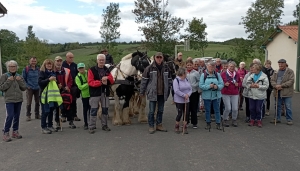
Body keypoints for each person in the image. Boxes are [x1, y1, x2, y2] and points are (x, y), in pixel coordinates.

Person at [140, 52, 172, 134]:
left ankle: (159, 125)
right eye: (157, 57)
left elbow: (169, 80)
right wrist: (142, 92)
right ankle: (151, 126)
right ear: (154, 58)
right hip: (152, 93)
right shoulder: (149, 68)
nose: (159, 59)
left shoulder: (166, 68)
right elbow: (144, 81)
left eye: (160, 57)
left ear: (162, 58)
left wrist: (169, 89)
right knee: (151, 111)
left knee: (160, 110)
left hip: (162, 93)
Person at [0, 60, 26, 142]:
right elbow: (1, 88)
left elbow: (24, 87)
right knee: (10, 115)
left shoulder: (19, 76)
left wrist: (19, 81)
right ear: (8, 68)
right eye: (11, 66)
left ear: (16, 67)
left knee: (17, 116)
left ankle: (15, 131)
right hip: (9, 99)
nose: (13, 68)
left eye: (14, 66)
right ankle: (6, 132)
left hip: (18, 99)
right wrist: (9, 81)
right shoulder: (4, 76)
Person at [88, 54, 114, 134]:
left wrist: (107, 78)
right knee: (93, 110)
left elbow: (112, 80)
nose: (101, 61)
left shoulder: (107, 69)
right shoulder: (91, 70)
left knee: (105, 110)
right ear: (97, 60)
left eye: (103, 60)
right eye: (100, 60)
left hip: (105, 92)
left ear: (105, 61)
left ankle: (104, 125)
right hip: (95, 93)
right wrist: (100, 82)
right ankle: (92, 126)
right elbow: (90, 82)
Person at [39, 59, 62, 134]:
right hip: (44, 95)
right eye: (47, 64)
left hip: (52, 96)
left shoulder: (53, 73)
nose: (49, 65)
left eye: (50, 64)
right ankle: (43, 127)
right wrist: (48, 79)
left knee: (51, 111)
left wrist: (59, 85)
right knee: (45, 111)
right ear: (45, 65)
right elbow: (40, 83)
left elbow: (56, 82)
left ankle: (50, 125)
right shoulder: (42, 73)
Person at [199, 61, 224, 130]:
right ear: (207, 66)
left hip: (216, 96)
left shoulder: (217, 75)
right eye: (210, 66)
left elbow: (222, 84)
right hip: (206, 96)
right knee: (207, 110)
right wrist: (209, 86)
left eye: (213, 66)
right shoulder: (203, 75)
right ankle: (208, 123)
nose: (211, 68)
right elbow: (201, 85)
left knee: (217, 110)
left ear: (214, 67)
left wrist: (217, 87)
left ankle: (218, 123)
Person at [270, 59, 294, 125]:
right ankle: (277, 118)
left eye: (282, 64)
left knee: (288, 106)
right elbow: (272, 80)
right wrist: (276, 86)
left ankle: (289, 119)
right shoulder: (276, 71)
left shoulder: (290, 71)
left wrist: (282, 85)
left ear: (285, 64)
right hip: (277, 91)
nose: (280, 65)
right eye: (279, 64)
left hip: (286, 92)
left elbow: (291, 81)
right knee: (277, 106)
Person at [54, 56, 75, 129]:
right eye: (57, 61)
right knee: (57, 108)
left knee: (68, 106)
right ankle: (58, 123)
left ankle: (71, 121)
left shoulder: (66, 70)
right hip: (57, 91)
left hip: (66, 91)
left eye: (60, 61)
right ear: (55, 62)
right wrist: (57, 85)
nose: (59, 62)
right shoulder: (53, 71)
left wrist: (68, 86)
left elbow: (70, 80)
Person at [221, 61, 241, 127]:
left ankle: (234, 120)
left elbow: (240, 83)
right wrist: (224, 84)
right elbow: (220, 82)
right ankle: (224, 119)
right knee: (228, 108)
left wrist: (238, 84)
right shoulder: (223, 74)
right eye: (230, 66)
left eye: (233, 66)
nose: (232, 68)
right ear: (228, 67)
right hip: (225, 93)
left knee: (235, 108)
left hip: (235, 93)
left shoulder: (237, 74)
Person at [62, 52, 81, 122]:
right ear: (66, 57)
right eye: (70, 57)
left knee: (73, 101)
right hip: (64, 86)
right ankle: (64, 115)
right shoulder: (63, 65)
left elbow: (78, 75)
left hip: (73, 86)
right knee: (64, 101)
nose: (71, 59)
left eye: (72, 57)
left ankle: (74, 115)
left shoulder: (75, 65)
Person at [173, 68, 192, 134]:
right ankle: (177, 126)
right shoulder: (176, 80)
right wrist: (184, 95)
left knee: (186, 114)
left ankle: (184, 126)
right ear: (183, 74)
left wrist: (188, 94)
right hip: (179, 100)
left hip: (187, 100)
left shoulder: (186, 79)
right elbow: (176, 90)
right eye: (185, 73)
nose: (186, 74)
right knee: (180, 113)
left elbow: (190, 88)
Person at [22, 57, 40, 121]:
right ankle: (28, 115)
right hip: (30, 88)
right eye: (32, 61)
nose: (33, 62)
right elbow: (23, 79)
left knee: (37, 102)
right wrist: (27, 86)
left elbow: (40, 78)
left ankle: (37, 114)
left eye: (35, 61)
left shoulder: (38, 69)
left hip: (37, 88)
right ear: (30, 61)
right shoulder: (26, 69)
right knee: (29, 102)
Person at [75, 63, 90, 130]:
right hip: (84, 95)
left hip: (92, 94)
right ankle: (86, 123)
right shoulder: (77, 77)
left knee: (92, 109)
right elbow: (80, 87)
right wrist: (88, 84)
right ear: (78, 69)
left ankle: (91, 123)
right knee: (85, 109)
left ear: (84, 68)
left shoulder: (89, 73)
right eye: (80, 68)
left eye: (82, 68)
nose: (81, 69)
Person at [186, 60, 200, 129]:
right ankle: (186, 122)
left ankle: (194, 123)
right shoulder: (184, 72)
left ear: (192, 65)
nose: (189, 66)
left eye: (190, 65)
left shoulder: (196, 73)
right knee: (186, 108)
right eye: (188, 65)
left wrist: (194, 85)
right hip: (186, 93)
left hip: (194, 92)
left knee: (193, 108)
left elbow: (199, 81)